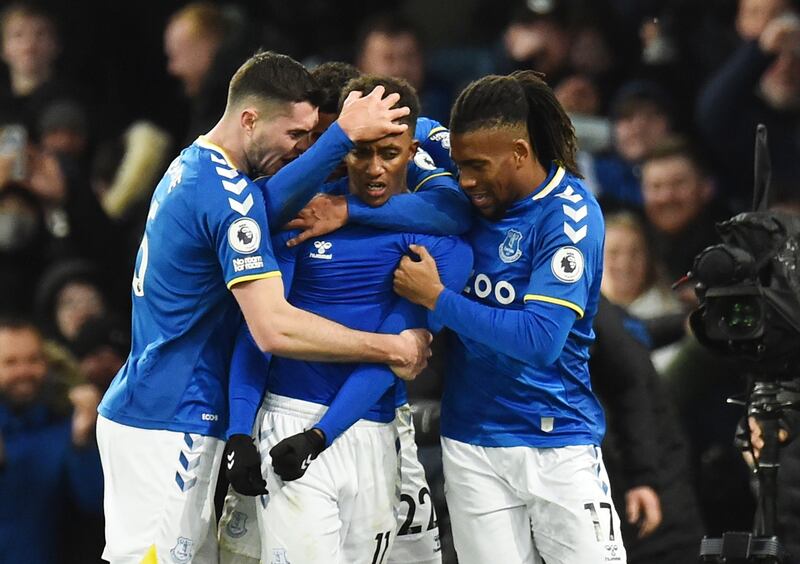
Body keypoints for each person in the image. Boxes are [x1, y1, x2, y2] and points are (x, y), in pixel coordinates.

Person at [96, 51, 432, 563]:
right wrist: (389, 347)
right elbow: (273, 328)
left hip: (160, 402)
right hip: (173, 415)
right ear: (250, 119)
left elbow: (270, 203)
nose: (302, 151)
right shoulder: (230, 198)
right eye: (296, 136)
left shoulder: (196, 165)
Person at [219, 66, 468, 564]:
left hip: (373, 431)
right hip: (284, 417)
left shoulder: (440, 242)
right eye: (355, 148)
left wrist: (321, 435)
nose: (373, 167)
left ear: (412, 151)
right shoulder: (299, 216)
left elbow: (397, 353)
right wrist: (240, 430)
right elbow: (259, 331)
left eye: (388, 152)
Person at [394, 70, 626, 564]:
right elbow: (416, 124)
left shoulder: (568, 217)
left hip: (555, 440)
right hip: (470, 441)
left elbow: (540, 339)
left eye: (477, 166)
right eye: (459, 165)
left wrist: (438, 298)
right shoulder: (465, 160)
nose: (466, 181)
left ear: (520, 153)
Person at [0, 317, 103, 563]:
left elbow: (95, 504)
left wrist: (83, 441)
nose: (24, 371)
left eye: (33, 360)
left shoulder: (68, 425)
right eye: (10, 362)